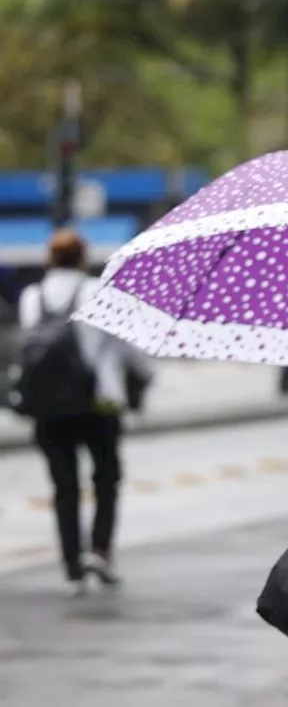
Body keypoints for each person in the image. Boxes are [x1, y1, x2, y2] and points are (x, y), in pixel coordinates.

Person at [18, 229, 148, 595]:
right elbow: (123, 345)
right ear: (82, 257)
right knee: (106, 479)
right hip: (99, 402)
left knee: (64, 487)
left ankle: (72, 565)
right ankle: (100, 551)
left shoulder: (32, 296)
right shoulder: (98, 292)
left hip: (48, 406)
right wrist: (145, 376)